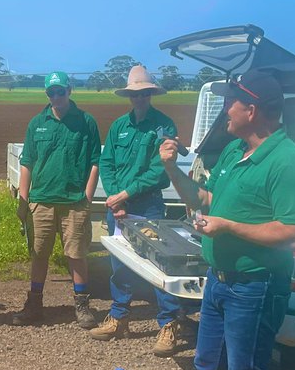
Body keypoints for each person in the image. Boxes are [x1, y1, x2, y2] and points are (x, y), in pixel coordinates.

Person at [155, 70, 295, 370]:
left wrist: (228, 227)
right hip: (220, 282)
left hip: (256, 286)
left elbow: (292, 230)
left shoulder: (286, 161)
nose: (226, 110)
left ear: (253, 110)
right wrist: (172, 168)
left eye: (233, 103)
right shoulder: (234, 152)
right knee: (208, 364)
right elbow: (202, 201)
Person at [90, 64, 190, 352]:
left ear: (151, 94)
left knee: (160, 265)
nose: (140, 98)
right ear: (129, 97)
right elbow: (107, 162)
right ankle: (119, 317)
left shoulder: (164, 126)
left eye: (144, 93)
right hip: (118, 206)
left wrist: (125, 194)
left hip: (148, 206)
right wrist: (114, 197)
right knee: (120, 264)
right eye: (135, 94)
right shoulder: (119, 126)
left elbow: (158, 172)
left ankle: (168, 325)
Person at [11, 71, 101, 329]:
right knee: (39, 254)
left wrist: (87, 197)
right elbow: (27, 162)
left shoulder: (86, 122)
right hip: (41, 200)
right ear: (47, 94)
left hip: (74, 201)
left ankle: (82, 305)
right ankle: (35, 304)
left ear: (69, 90)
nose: (56, 96)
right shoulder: (37, 123)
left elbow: (95, 162)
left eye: (60, 91)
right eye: (51, 92)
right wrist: (24, 200)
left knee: (76, 254)